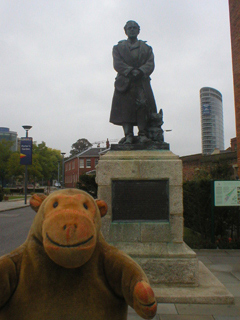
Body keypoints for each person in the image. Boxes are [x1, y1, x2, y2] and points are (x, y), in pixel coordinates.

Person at [110, 20, 157, 144]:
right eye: (129, 28)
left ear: (138, 30)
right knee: (125, 108)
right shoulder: (118, 47)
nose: (132, 30)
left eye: (134, 28)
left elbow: (150, 63)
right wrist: (130, 71)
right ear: (125, 31)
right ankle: (128, 135)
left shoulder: (146, 48)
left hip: (141, 81)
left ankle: (143, 134)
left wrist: (141, 71)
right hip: (125, 82)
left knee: (142, 106)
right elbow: (117, 63)